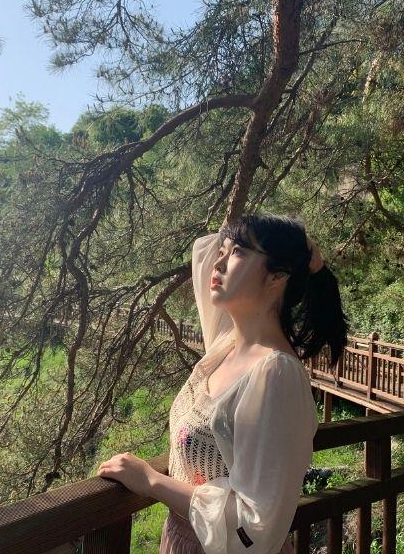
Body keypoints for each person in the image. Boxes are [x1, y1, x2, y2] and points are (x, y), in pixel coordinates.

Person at [96, 213, 350, 553]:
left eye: (239, 252)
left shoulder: (275, 375)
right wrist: (297, 250)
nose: (220, 259)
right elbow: (204, 250)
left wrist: (152, 481)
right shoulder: (225, 344)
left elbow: (255, 526)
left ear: (277, 276)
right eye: (224, 249)